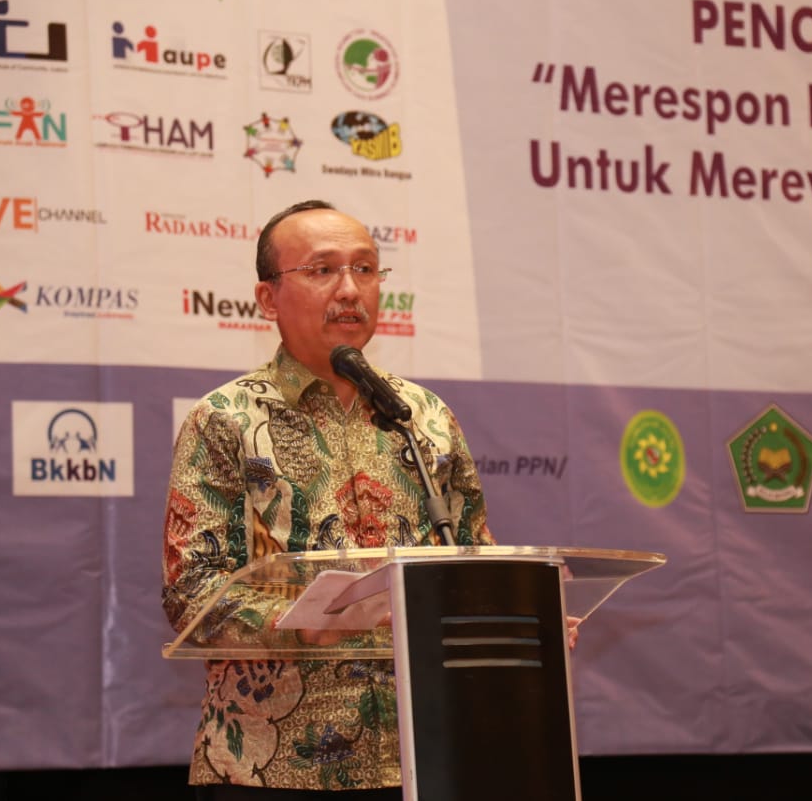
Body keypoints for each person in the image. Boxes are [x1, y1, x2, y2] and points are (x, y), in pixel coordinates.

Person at [162, 200, 541, 799]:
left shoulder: (424, 417)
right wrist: (300, 624)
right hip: (274, 767)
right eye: (322, 270)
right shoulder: (225, 419)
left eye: (365, 269)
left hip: (427, 753)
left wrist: (520, 616)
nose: (349, 289)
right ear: (267, 299)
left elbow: (470, 557)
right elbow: (191, 592)